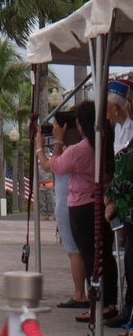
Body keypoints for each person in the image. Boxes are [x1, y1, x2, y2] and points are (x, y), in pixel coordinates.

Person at [37, 100, 118, 324]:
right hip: (101, 203)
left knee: (90, 257)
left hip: (82, 206)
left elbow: (54, 166)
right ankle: (109, 303)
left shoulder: (81, 149)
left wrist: (53, 142)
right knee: (105, 257)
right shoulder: (104, 143)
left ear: (81, 125)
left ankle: (96, 305)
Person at [105, 79, 133, 327]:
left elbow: (127, 170)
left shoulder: (131, 129)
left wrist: (112, 197)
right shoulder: (117, 129)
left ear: (115, 109)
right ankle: (128, 308)